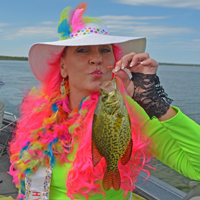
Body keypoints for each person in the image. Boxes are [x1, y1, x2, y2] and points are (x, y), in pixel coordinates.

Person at [9, 3, 200, 200]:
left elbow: (197, 169)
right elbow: (33, 185)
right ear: (63, 67)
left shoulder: (127, 114)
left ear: (113, 63)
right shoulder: (41, 115)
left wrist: (154, 102)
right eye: (82, 50)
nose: (96, 58)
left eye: (104, 50)